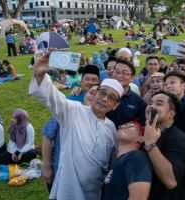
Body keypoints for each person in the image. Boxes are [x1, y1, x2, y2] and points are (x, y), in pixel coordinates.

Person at [30, 51, 124, 200]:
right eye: (102, 93)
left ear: (115, 105)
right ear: (95, 93)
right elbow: (52, 98)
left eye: (111, 98)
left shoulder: (111, 127)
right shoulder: (74, 111)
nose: (105, 99)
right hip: (69, 188)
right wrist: (40, 75)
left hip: (95, 190)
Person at [42, 85, 98, 192]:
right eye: (91, 93)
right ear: (85, 94)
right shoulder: (68, 111)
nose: (93, 97)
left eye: (97, 94)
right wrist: (47, 166)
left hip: (85, 178)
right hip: (59, 170)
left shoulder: (103, 123)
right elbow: (47, 136)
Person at [144, 91, 185, 199]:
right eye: (150, 103)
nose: (151, 106)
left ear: (172, 114)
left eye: (159, 103)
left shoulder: (179, 140)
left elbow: (171, 180)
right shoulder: (148, 133)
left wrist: (150, 144)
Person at [102, 121, 152, 200]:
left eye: (130, 126)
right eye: (122, 125)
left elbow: (139, 198)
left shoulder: (136, 157)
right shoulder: (116, 162)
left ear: (141, 138)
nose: (123, 127)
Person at [107, 58, 147, 127]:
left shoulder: (139, 102)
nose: (119, 76)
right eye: (116, 72)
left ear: (132, 78)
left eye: (124, 73)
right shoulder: (103, 96)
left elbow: (142, 127)